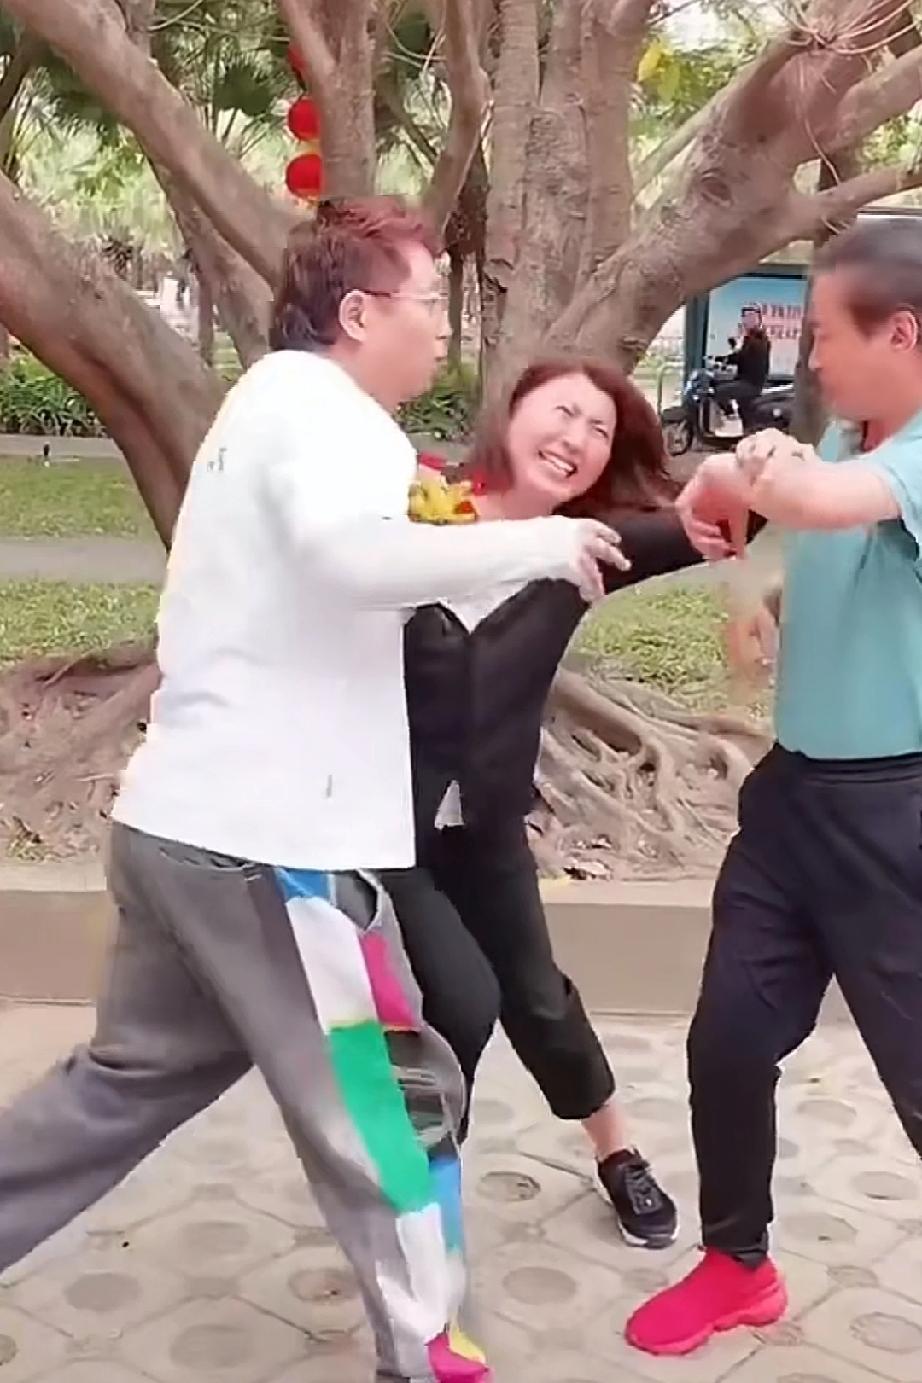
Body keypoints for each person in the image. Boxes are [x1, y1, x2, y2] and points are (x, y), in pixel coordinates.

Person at [0, 199, 626, 1383]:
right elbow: (352, 561)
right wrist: (540, 544)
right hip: (272, 853)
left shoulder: (272, 408)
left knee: (121, 1085)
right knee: (391, 1111)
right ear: (358, 313)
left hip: (183, 827)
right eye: (428, 301)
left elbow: (356, 571)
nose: (443, 327)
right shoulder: (327, 416)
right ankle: (431, 1358)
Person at [626, 215, 922, 1356]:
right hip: (793, 800)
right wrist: (765, 601)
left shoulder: (895, 458)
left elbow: (817, 503)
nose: (811, 358)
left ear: (902, 333)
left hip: (895, 816)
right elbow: (825, 540)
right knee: (729, 1040)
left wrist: (733, 465)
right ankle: (736, 1263)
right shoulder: (851, 440)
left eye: (824, 335)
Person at [382, 359, 746, 1251]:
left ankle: (617, 1152)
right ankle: (420, 1187)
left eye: (600, 432)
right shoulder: (409, 513)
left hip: (488, 827)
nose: (576, 440)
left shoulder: (585, 548)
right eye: (564, 413)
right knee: (458, 1001)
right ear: (511, 410)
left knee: (538, 996)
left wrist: (737, 468)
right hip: (385, 823)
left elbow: (728, 519)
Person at [715, 305, 771, 433]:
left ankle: (729, 418)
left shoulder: (760, 338)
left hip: (751, 384)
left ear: (758, 319)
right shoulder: (749, 338)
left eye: (752, 317)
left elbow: (743, 356)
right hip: (744, 380)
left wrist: (737, 344)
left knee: (720, 392)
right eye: (746, 317)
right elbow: (740, 356)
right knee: (745, 413)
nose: (748, 320)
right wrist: (721, 359)